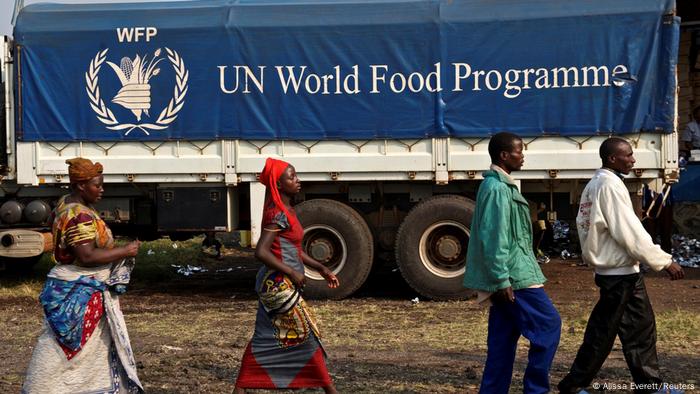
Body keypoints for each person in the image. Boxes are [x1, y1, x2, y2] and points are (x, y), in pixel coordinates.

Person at [558, 138, 685, 393]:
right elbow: (629, 232)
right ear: (612, 159)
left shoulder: (600, 183)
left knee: (639, 329)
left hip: (622, 272)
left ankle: (649, 385)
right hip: (618, 275)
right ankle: (573, 385)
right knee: (603, 333)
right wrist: (665, 261)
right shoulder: (608, 185)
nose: (633, 159)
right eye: (627, 155)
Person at [23, 158, 143, 393]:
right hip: (81, 291)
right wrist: (125, 251)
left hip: (77, 288)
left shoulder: (65, 203)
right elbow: (86, 256)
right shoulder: (80, 216)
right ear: (80, 186)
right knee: (69, 350)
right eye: (97, 185)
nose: (102, 190)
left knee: (82, 350)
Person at [463, 132, 561, 394]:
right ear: (504, 155)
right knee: (549, 325)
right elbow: (494, 237)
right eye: (519, 151)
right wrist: (501, 279)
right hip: (514, 276)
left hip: (508, 275)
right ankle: (536, 390)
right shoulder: (496, 188)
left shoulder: (499, 185)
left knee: (502, 342)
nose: (523, 155)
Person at [233, 158, 340, 394]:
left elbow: (294, 250)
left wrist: (320, 267)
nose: (297, 180)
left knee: (263, 337)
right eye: (292, 177)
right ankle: (330, 390)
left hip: (280, 284)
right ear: (279, 185)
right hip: (278, 286)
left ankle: (240, 389)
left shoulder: (286, 211)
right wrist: (291, 271)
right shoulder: (277, 215)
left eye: (296, 175)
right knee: (307, 334)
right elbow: (261, 251)